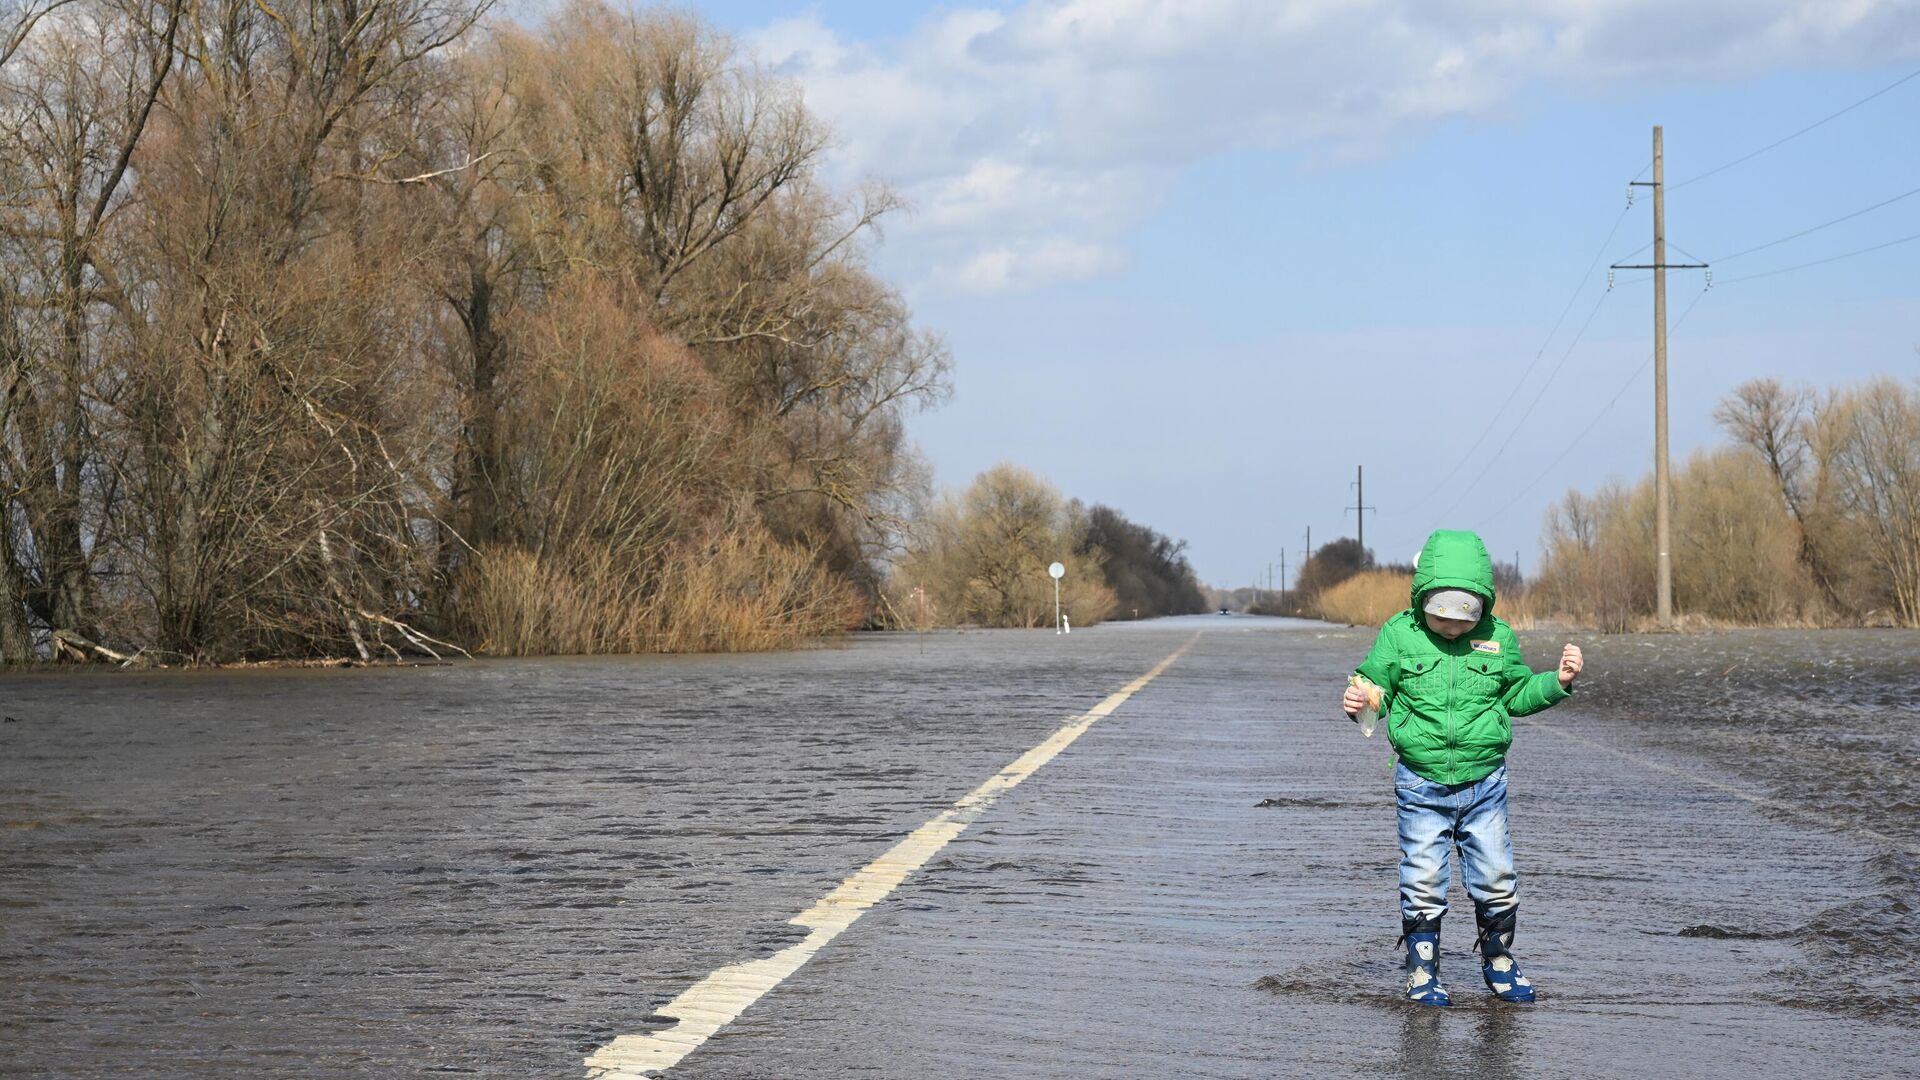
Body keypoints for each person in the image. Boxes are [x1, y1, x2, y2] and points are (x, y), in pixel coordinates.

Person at [1341, 529, 1583, 1006]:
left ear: (1483, 603)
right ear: (1422, 598)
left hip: (1484, 783)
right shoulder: (1399, 634)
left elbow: (1516, 694)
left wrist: (1557, 681)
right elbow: (1374, 686)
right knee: (1423, 876)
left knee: (1496, 875)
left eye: (1465, 615)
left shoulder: (1498, 637)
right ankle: (1422, 970)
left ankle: (1499, 959)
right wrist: (1361, 701)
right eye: (1441, 615)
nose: (1453, 626)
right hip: (1420, 782)